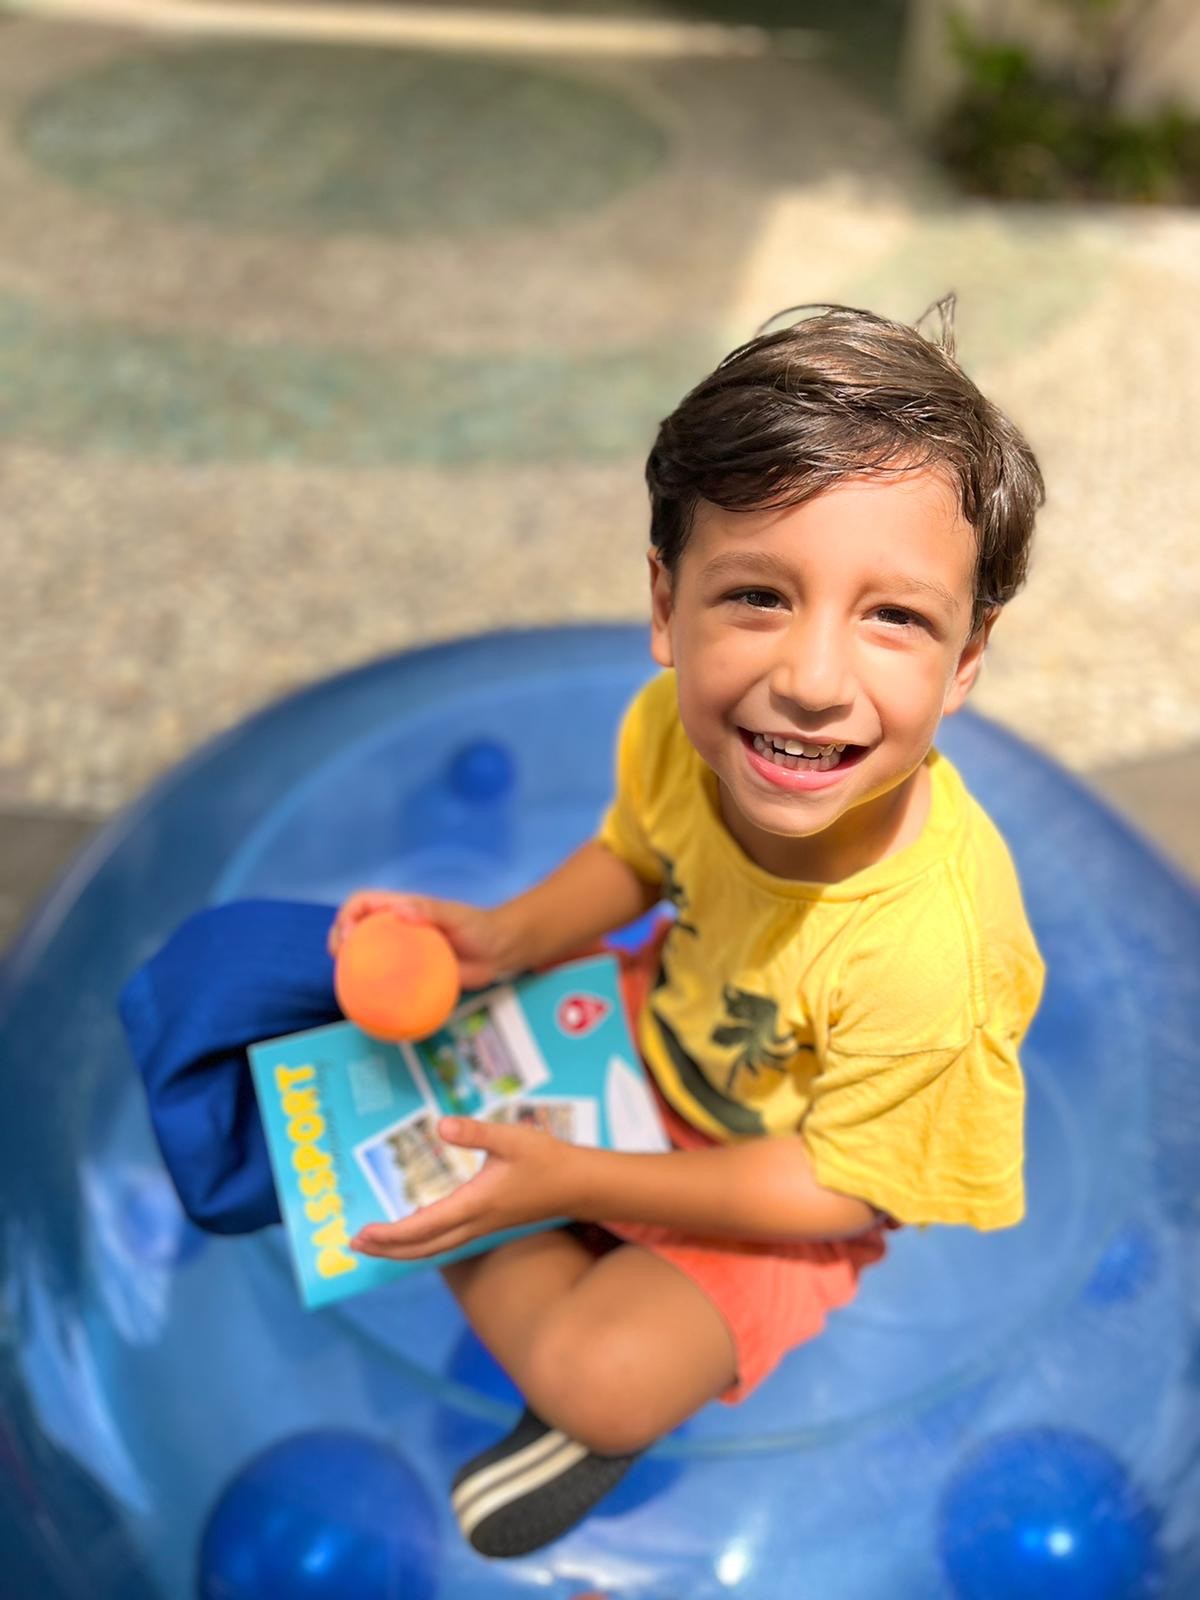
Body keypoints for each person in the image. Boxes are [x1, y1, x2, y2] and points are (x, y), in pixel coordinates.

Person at [329, 300, 1047, 1559]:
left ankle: (543, 1265)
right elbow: (636, 855)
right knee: (368, 1110)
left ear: (968, 659)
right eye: (759, 595)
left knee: (594, 1379)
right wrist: (506, 937)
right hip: (641, 1038)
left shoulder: (935, 946)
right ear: (668, 603)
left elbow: (838, 1186)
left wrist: (580, 1182)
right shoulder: (678, 732)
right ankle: (524, 1217)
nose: (814, 678)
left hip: (774, 1186)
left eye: (895, 618)